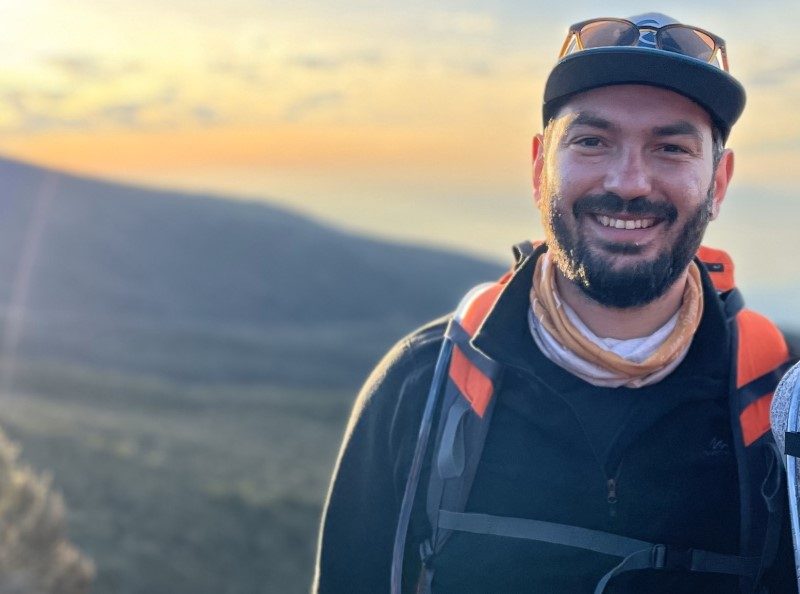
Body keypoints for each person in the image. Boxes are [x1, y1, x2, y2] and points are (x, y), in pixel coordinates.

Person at [314, 12, 798, 593]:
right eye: (592, 141)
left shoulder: (783, 407)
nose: (630, 182)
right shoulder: (424, 389)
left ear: (718, 183)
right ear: (542, 166)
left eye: (670, 147)